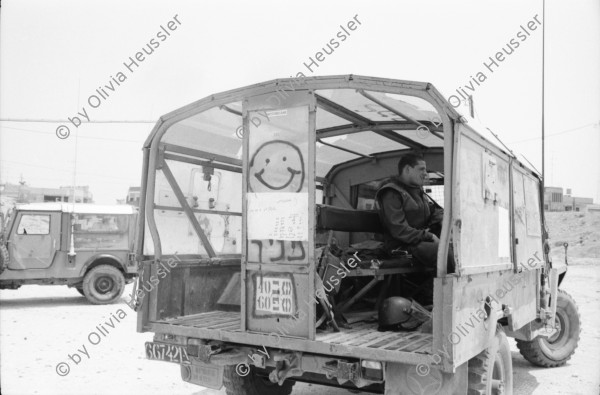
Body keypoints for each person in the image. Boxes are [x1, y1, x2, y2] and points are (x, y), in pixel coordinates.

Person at [375, 153, 449, 271]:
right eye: (421, 169)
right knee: (447, 255)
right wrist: (429, 236)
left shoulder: (417, 192)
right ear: (408, 169)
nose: (425, 173)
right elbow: (399, 230)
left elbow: (434, 210)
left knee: (457, 249)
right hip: (401, 246)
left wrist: (441, 219)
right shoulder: (391, 192)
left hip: (418, 242)